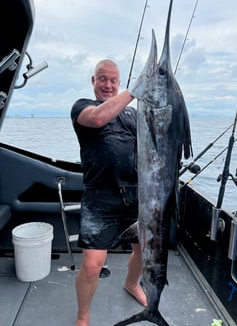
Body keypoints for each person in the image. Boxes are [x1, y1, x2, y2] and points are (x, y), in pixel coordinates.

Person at [71, 59, 147, 326]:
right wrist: (137, 88)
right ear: (93, 81)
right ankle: (83, 316)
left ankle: (131, 284)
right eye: (103, 79)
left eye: (114, 80)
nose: (108, 84)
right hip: (100, 198)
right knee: (92, 265)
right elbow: (100, 117)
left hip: (136, 195)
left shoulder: (133, 115)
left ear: (119, 82)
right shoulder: (82, 107)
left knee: (143, 251)